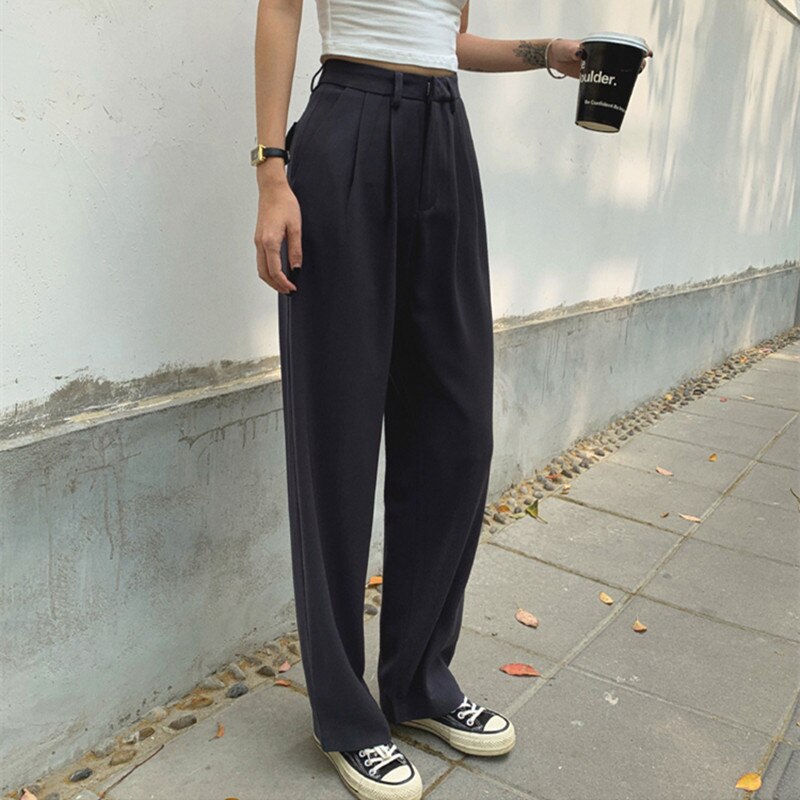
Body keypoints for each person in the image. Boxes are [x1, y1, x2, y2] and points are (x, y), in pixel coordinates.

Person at [253, 3, 649, 798]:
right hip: (346, 124)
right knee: (336, 436)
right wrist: (271, 171)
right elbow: (281, 8)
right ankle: (346, 717)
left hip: (443, 134)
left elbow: (446, 38)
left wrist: (548, 52)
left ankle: (418, 684)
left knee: (457, 431)